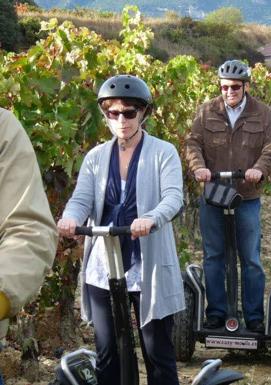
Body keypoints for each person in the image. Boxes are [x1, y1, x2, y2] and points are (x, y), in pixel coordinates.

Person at [57, 75, 184, 385]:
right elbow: (80, 200)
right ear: (105, 114)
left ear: (143, 113)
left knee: (156, 350)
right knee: (107, 350)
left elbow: (173, 197)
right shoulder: (96, 158)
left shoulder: (163, 152)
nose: (121, 120)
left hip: (147, 265)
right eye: (113, 112)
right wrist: (70, 219)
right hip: (104, 265)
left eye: (129, 112)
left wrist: (152, 218)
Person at [185, 60, 271, 333]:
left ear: (246, 86)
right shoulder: (206, 112)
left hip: (246, 195)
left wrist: (259, 170)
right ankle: (216, 313)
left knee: (250, 257)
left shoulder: (263, 113)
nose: (230, 92)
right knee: (214, 255)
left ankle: (253, 317)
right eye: (225, 87)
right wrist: (199, 167)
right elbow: (193, 143)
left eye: (235, 87)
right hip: (214, 194)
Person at [0, 108, 57, 385]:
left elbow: (29, 229)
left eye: (129, 112)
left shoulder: (2, 127)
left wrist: (1, 293)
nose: (121, 119)